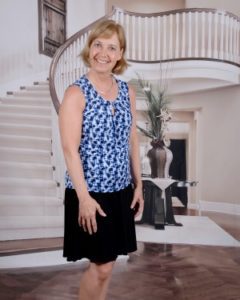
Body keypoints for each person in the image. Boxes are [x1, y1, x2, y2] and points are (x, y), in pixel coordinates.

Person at [58, 19, 144, 300]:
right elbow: (70, 150)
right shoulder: (76, 93)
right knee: (103, 266)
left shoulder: (127, 91)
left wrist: (139, 184)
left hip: (120, 190)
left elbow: (132, 138)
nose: (103, 53)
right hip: (90, 193)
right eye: (98, 44)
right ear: (89, 48)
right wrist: (83, 198)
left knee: (107, 264)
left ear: (120, 54)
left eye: (111, 47)